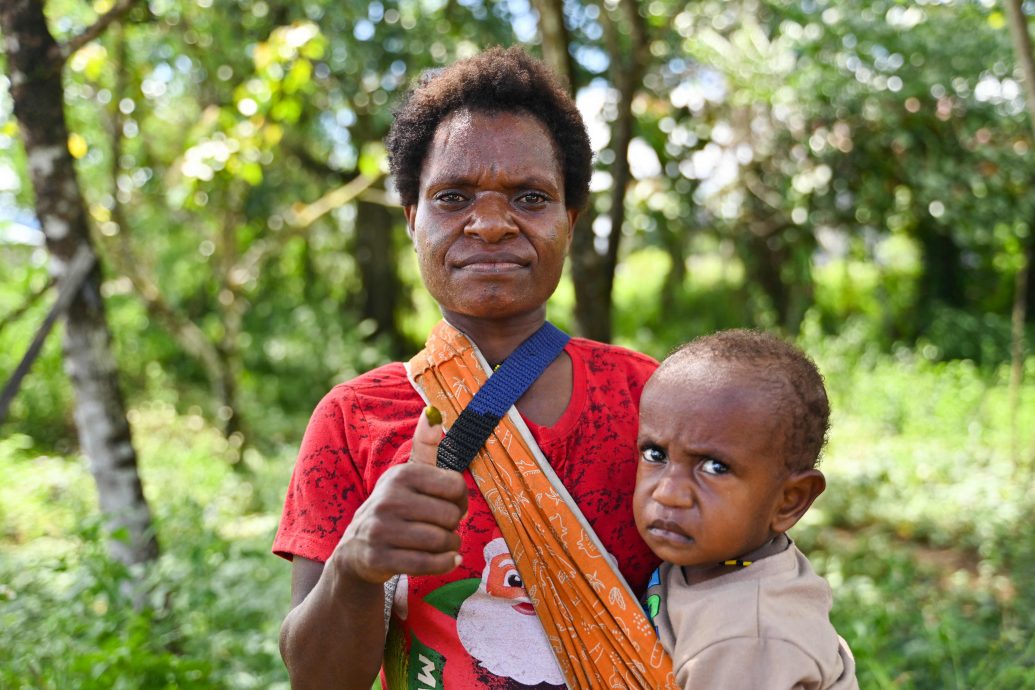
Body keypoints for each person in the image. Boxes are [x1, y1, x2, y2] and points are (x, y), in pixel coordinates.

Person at [273, 46, 661, 689]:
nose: (488, 224)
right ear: (411, 220)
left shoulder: (648, 397)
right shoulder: (353, 419)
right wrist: (355, 563)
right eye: (452, 197)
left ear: (570, 220)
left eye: (530, 197)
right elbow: (319, 680)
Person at [634, 329, 859, 689]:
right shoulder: (725, 558)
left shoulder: (744, 640)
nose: (668, 492)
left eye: (715, 467)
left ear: (790, 501)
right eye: (655, 454)